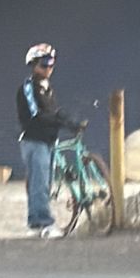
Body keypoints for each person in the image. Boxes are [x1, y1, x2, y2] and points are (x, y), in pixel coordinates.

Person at [15, 43, 80, 239]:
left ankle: (36, 222)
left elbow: (54, 111)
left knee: (45, 183)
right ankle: (45, 223)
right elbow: (36, 115)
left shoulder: (47, 88)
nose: (48, 68)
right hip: (35, 142)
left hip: (49, 141)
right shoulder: (28, 88)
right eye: (44, 64)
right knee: (39, 184)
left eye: (51, 64)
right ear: (33, 65)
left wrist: (70, 120)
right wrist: (61, 121)